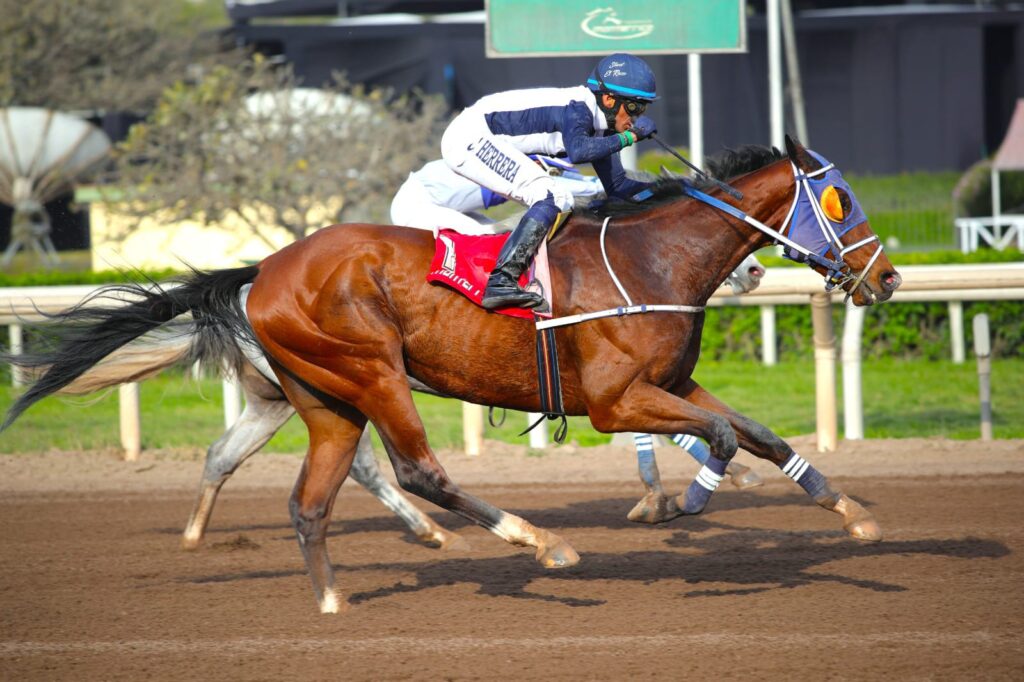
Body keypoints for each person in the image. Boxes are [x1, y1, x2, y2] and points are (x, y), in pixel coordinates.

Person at [440, 52, 659, 310]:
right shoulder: (579, 109)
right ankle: (502, 280)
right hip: (468, 137)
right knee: (553, 195)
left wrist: (675, 193)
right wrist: (631, 137)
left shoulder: (603, 125)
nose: (636, 116)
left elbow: (618, 187)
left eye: (644, 108)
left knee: (559, 197)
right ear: (609, 99)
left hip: (480, 135)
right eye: (634, 107)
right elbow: (578, 151)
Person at [391, 157, 603, 235]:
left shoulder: (517, 156)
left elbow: (567, 178)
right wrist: (602, 187)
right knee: (484, 235)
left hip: (432, 197)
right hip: (413, 206)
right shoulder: (512, 166)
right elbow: (557, 186)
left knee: (502, 237)